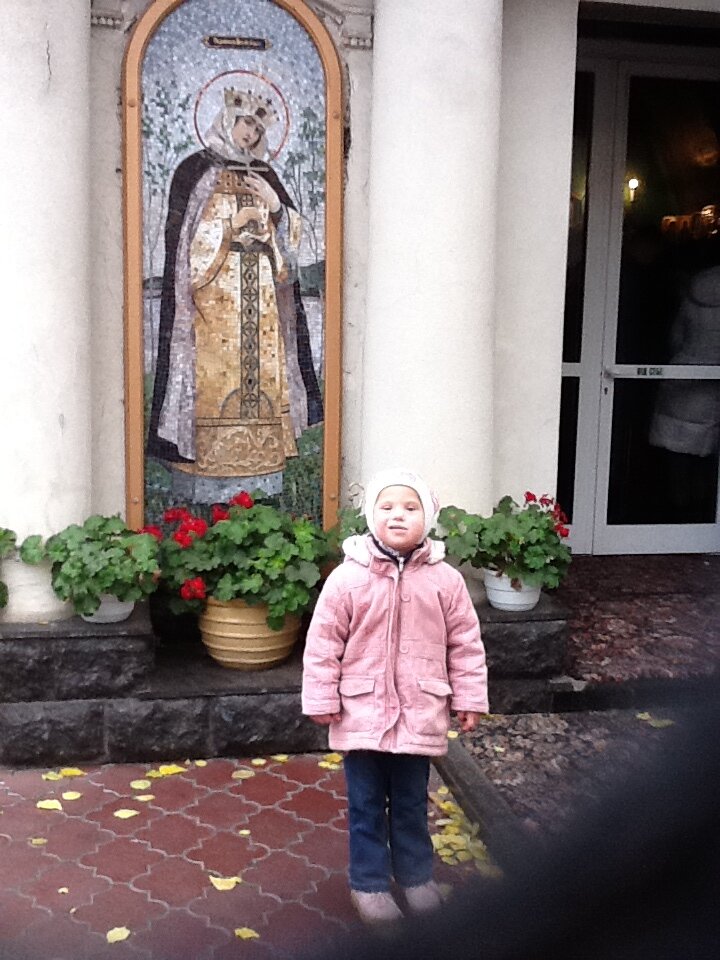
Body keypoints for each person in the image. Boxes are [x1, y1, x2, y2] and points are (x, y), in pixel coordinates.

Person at [301, 469, 488, 925]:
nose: (398, 516)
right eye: (386, 507)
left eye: (410, 507)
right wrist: (321, 697)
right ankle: (368, 885)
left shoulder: (446, 581)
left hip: (419, 713)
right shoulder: (347, 579)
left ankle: (416, 877)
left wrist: (469, 698)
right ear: (371, 516)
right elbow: (323, 643)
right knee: (365, 806)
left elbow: (465, 644)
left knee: (410, 805)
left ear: (429, 517)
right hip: (360, 714)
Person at [147, 85, 323, 497]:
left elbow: (293, 246)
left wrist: (274, 209)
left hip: (261, 304)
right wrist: (229, 227)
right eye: (245, 123)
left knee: (259, 385)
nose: (250, 134)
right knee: (214, 384)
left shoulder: (265, 175)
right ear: (228, 120)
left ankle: (263, 480)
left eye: (258, 129)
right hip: (213, 304)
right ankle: (205, 484)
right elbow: (186, 247)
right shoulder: (197, 170)